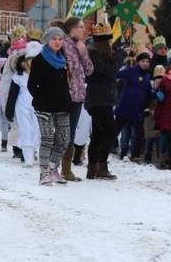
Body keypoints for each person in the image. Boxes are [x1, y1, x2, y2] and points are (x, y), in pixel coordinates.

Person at [28, 27, 72, 186]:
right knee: (47, 139)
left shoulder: (63, 59)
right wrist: (41, 99)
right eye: (54, 39)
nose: (57, 42)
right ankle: (44, 173)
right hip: (44, 107)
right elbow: (32, 85)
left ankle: (54, 169)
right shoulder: (40, 60)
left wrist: (68, 101)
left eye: (60, 39)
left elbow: (65, 84)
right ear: (47, 40)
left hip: (62, 106)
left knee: (64, 139)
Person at [84, 23, 127, 180]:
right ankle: (101, 167)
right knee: (110, 133)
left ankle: (92, 167)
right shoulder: (94, 56)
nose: (111, 44)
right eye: (109, 42)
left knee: (98, 135)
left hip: (103, 99)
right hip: (99, 100)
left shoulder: (100, 56)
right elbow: (111, 70)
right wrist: (121, 55)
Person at [56, 17, 94, 182]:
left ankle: (66, 169)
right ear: (71, 29)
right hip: (64, 96)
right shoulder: (62, 45)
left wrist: (83, 53)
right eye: (80, 27)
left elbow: (90, 70)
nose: (84, 29)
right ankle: (52, 168)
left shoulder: (80, 46)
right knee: (61, 132)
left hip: (78, 97)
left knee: (70, 133)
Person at [4, 45, 41, 167]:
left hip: (37, 107)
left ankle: (35, 152)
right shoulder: (18, 77)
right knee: (26, 130)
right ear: (25, 62)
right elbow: (12, 95)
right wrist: (9, 112)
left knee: (36, 130)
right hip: (22, 107)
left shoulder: (42, 76)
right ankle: (27, 157)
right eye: (30, 60)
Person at [115, 50, 155, 162]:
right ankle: (108, 151)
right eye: (143, 61)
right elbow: (116, 74)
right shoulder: (130, 71)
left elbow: (148, 94)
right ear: (138, 62)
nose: (145, 63)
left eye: (147, 61)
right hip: (125, 107)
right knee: (116, 131)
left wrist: (156, 94)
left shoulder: (147, 77)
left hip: (138, 110)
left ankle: (135, 156)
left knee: (139, 135)